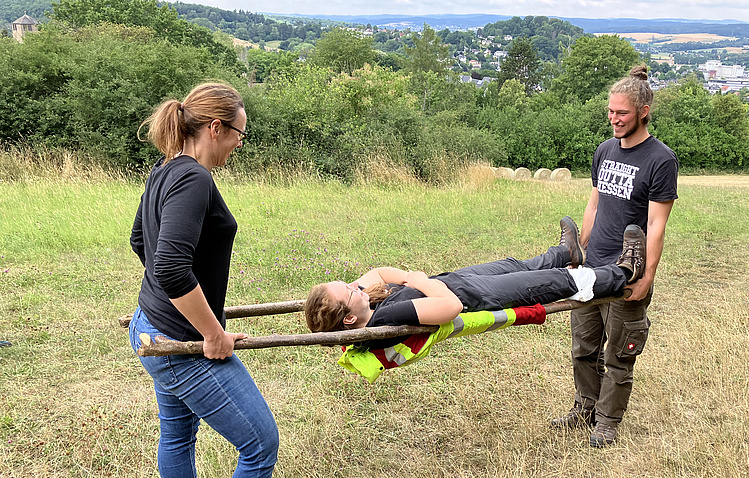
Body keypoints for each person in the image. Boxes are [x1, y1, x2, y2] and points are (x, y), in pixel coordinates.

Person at [128, 83, 278, 477]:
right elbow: (170, 267)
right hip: (180, 341)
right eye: (239, 134)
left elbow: (140, 240)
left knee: (177, 434)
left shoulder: (165, 167)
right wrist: (211, 333)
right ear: (216, 127)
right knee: (261, 445)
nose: (240, 144)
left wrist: (165, 297)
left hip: (152, 324)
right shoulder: (194, 178)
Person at [304, 217, 646, 368]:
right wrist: (420, 280)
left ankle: (568, 252)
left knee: (519, 265)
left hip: (458, 280)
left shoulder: (362, 305)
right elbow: (449, 307)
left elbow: (379, 271)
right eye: (349, 291)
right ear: (349, 317)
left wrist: (411, 278)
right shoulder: (385, 318)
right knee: (551, 283)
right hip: (475, 298)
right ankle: (624, 272)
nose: (355, 285)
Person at [550, 65, 678, 448]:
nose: (614, 119)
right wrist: (577, 253)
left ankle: (606, 423)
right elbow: (594, 205)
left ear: (643, 111)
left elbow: (656, 225)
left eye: (622, 113)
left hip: (625, 273)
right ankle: (584, 408)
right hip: (591, 268)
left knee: (620, 355)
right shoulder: (604, 150)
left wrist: (647, 277)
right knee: (583, 348)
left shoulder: (660, 159)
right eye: (610, 111)